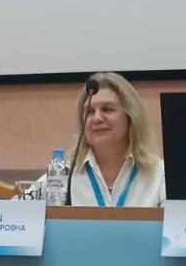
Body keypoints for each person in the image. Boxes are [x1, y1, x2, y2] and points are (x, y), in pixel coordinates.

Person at [62, 71, 165, 207]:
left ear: (130, 117)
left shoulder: (159, 175)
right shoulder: (63, 175)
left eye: (108, 109)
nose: (97, 118)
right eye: (90, 112)